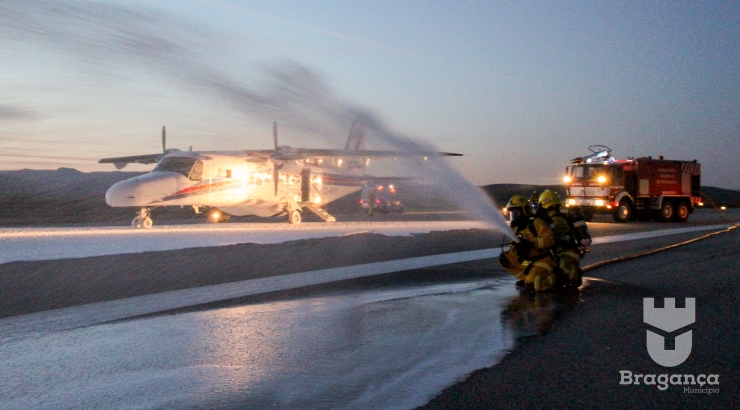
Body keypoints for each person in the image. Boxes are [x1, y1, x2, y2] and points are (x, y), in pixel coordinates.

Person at [499, 195, 557, 292]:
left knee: (532, 287)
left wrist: (531, 243)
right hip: (529, 259)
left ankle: (554, 278)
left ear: (525, 210)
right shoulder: (518, 227)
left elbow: (549, 239)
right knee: (505, 259)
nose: (515, 215)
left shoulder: (536, 222)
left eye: (517, 211)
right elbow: (514, 244)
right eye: (513, 212)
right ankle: (526, 278)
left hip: (543, 260)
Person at [538, 190, 592, 288]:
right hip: (561, 252)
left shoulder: (556, 220)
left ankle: (575, 276)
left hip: (567, 253)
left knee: (562, 269)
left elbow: (551, 237)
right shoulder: (559, 217)